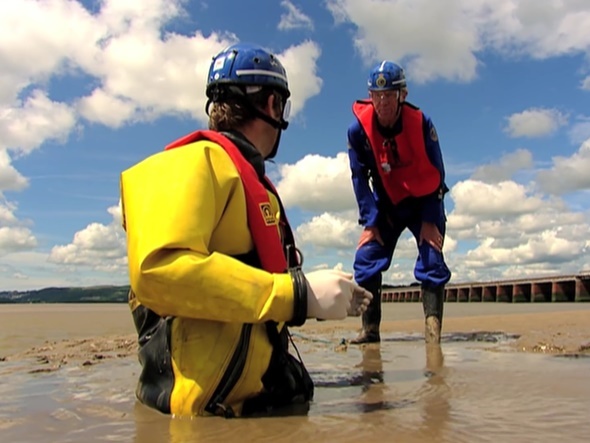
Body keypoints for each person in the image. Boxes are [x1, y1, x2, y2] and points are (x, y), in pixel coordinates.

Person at [120, 42, 372, 418]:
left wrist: (314, 293)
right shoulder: (191, 162)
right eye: (282, 107)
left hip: (246, 408)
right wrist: (297, 293)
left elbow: (249, 288)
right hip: (200, 419)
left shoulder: (250, 183)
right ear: (271, 105)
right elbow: (159, 270)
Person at [346, 60, 451, 345]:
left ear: (402, 95)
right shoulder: (358, 131)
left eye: (389, 95)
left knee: (432, 257)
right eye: (377, 96)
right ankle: (370, 331)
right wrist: (370, 221)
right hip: (387, 203)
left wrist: (430, 221)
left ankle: (432, 335)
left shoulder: (421, 123)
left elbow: (437, 173)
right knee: (366, 257)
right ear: (370, 97)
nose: (383, 103)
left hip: (423, 201)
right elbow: (358, 177)